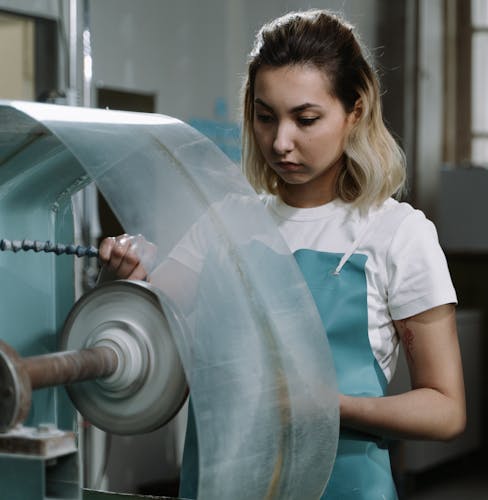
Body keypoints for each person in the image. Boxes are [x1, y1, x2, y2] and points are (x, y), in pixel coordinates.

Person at [99, 9, 465, 499]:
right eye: (265, 116)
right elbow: (158, 372)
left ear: (354, 111)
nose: (280, 142)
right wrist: (123, 284)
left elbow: (445, 409)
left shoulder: (396, 234)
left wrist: (326, 406)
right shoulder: (223, 225)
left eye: (306, 119)